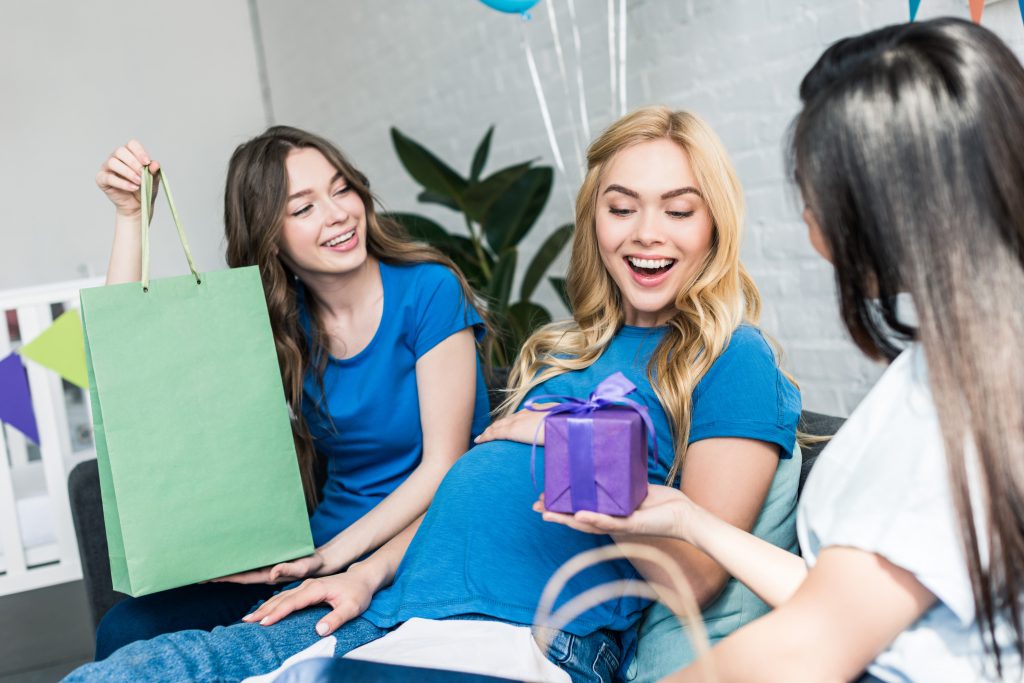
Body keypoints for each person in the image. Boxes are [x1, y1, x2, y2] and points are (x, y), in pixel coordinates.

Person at [66, 106, 800, 683]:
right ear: (594, 220)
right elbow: (461, 489)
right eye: (622, 206)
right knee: (128, 665)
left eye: (678, 208)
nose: (647, 233)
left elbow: (696, 577)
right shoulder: (566, 345)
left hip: (519, 630)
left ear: (715, 223)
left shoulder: (729, 356)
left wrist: (575, 451)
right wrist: (365, 572)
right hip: (386, 605)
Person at [540, 18, 1024, 683]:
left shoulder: (962, 399)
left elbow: (813, 644)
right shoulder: (956, 362)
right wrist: (689, 518)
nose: (805, 211)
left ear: (888, 200)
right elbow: (840, 596)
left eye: (816, 184)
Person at [91, 127, 491, 658]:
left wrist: (328, 559)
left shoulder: (428, 290)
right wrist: (129, 218)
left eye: (341, 188)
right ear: (270, 235)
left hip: (411, 547)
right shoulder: (278, 320)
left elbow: (445, 465)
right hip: (311, 550)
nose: (337, 214)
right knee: (126, 628)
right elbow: (127, 350)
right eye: (303, 208)